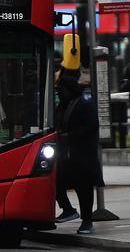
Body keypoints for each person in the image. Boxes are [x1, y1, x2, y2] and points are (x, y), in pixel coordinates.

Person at [54, 69, 104, 234]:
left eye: (62, 90)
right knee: (56, 182)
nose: (60, 94)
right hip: (67, 156)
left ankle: (87, 220)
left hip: (83, 156)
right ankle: (68, 209)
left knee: (84, 188)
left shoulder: (84, 105)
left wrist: (70, 135)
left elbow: (91, 127)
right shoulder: (63, 106)